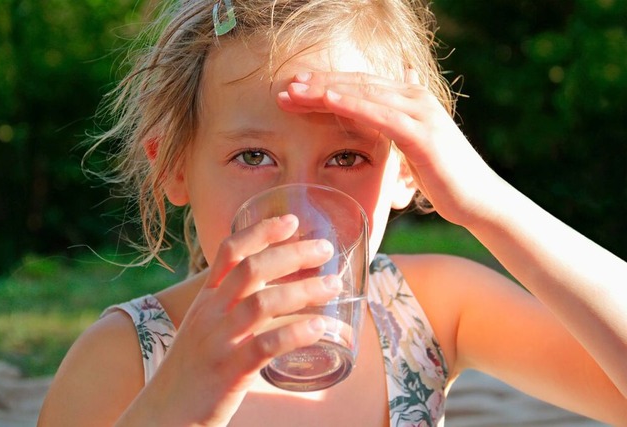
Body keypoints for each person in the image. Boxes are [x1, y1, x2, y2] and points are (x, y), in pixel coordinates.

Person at [38, 0, 627, 426]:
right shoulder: (122, 356)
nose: (300, 213)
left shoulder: (429, 311)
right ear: (174, 166)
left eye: (347, 157)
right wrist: (174, 408)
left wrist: (489, 204)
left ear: (407, 170)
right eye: (254, 156)